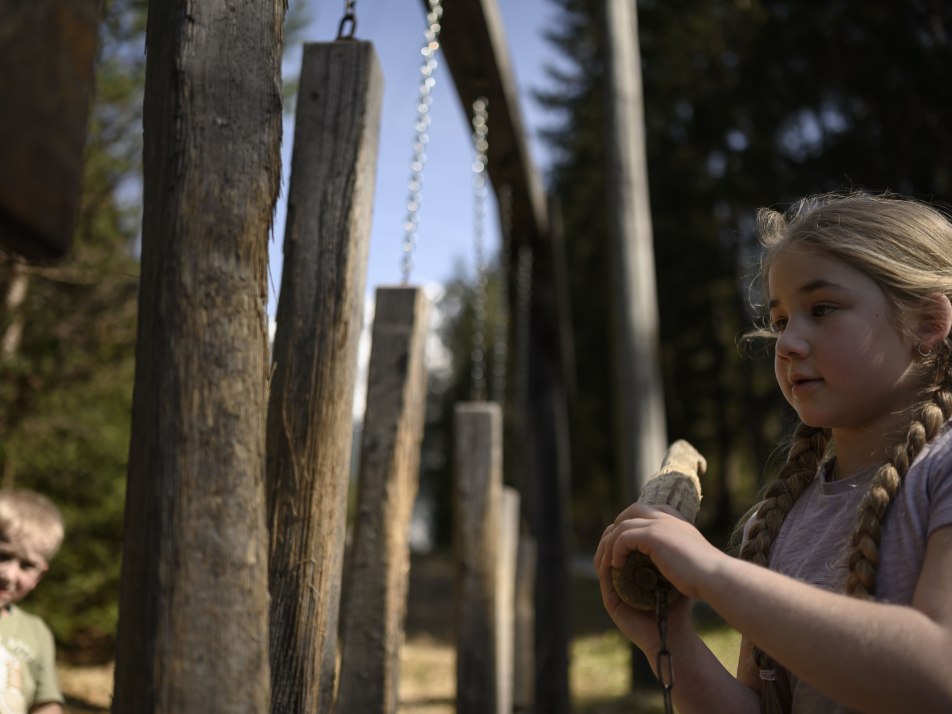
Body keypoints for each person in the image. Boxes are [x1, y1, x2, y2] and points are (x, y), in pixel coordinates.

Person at [594, 191, 952, 714]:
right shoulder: (783, 513)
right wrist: (667, 641)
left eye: (822, 309)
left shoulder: (940, 473)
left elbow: (937, 675)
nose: (786, 344)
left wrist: (714, 574)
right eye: (781, 320)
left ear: (928, 323)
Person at [0, 489, 65, 714]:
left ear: (39, 576)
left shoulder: (36, 633)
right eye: (2, 556)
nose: (8, 575)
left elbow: (45, 704)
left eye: (26, 565)